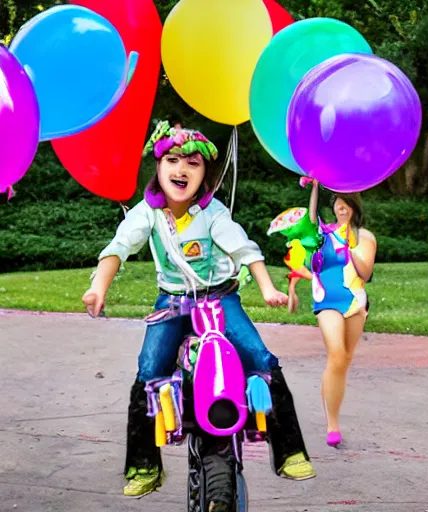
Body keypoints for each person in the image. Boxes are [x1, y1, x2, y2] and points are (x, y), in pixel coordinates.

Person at [81, 121, 315, 508]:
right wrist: (98, 288)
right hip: (172, 303)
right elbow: (118, 247)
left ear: (205, 174)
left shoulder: (213, 213)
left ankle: (289, 450)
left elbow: (244, 249)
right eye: (172, 160)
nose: (181, 170)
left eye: (193, 163)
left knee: (262, 359)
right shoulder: (148, 214)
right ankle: (144, 466)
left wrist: (267, 286)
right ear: (158, 168)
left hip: (219, 300)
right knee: (148, 369)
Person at [306, 179, 376, 448]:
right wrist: (314, 187)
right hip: (326, 298)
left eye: (346, 204)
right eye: (337, 203)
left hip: (355, 300)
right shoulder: (323, 233)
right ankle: (332, 424)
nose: (341, 207)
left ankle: (330, 405)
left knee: (342, 361)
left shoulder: (364, 235)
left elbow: (366, 272)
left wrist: (349, 246)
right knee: (336, 354)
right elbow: (310, 221)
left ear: (354, 207)